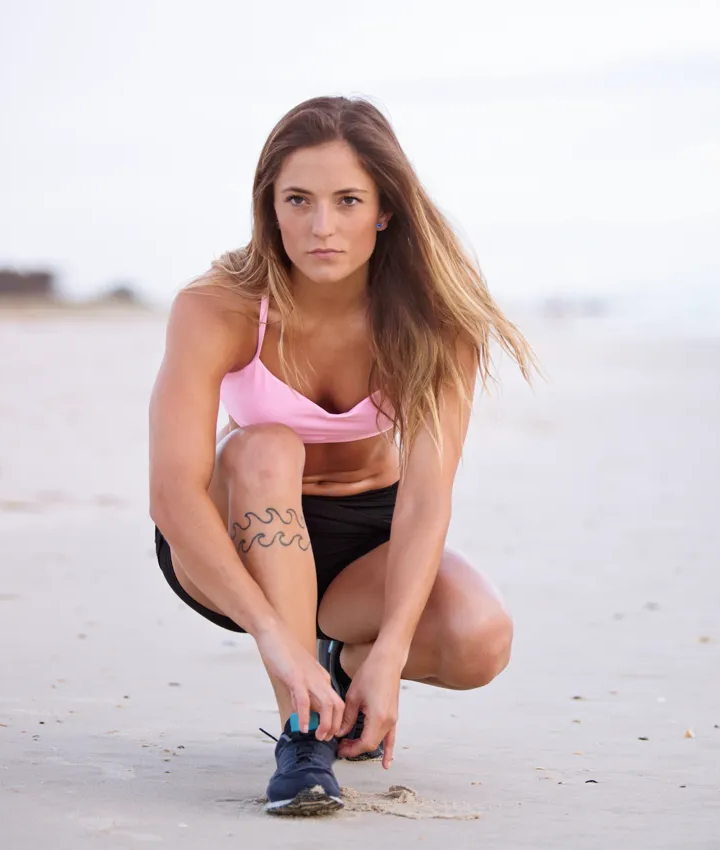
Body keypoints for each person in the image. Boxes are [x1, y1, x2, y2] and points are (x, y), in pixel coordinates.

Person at [147, 96, 536, 816]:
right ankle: (302, 734)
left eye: (347, 200)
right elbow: (173, 491)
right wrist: (271, 635)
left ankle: (341, 663)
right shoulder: (219, 307)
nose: (321, 226)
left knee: (481, 639)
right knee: (266, 446)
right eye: (298, 200)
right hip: (236, 536)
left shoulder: (436, 322)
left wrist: (386, 656)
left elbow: (425, 499)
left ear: (384, 209)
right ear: (270, 207)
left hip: (367, 545)